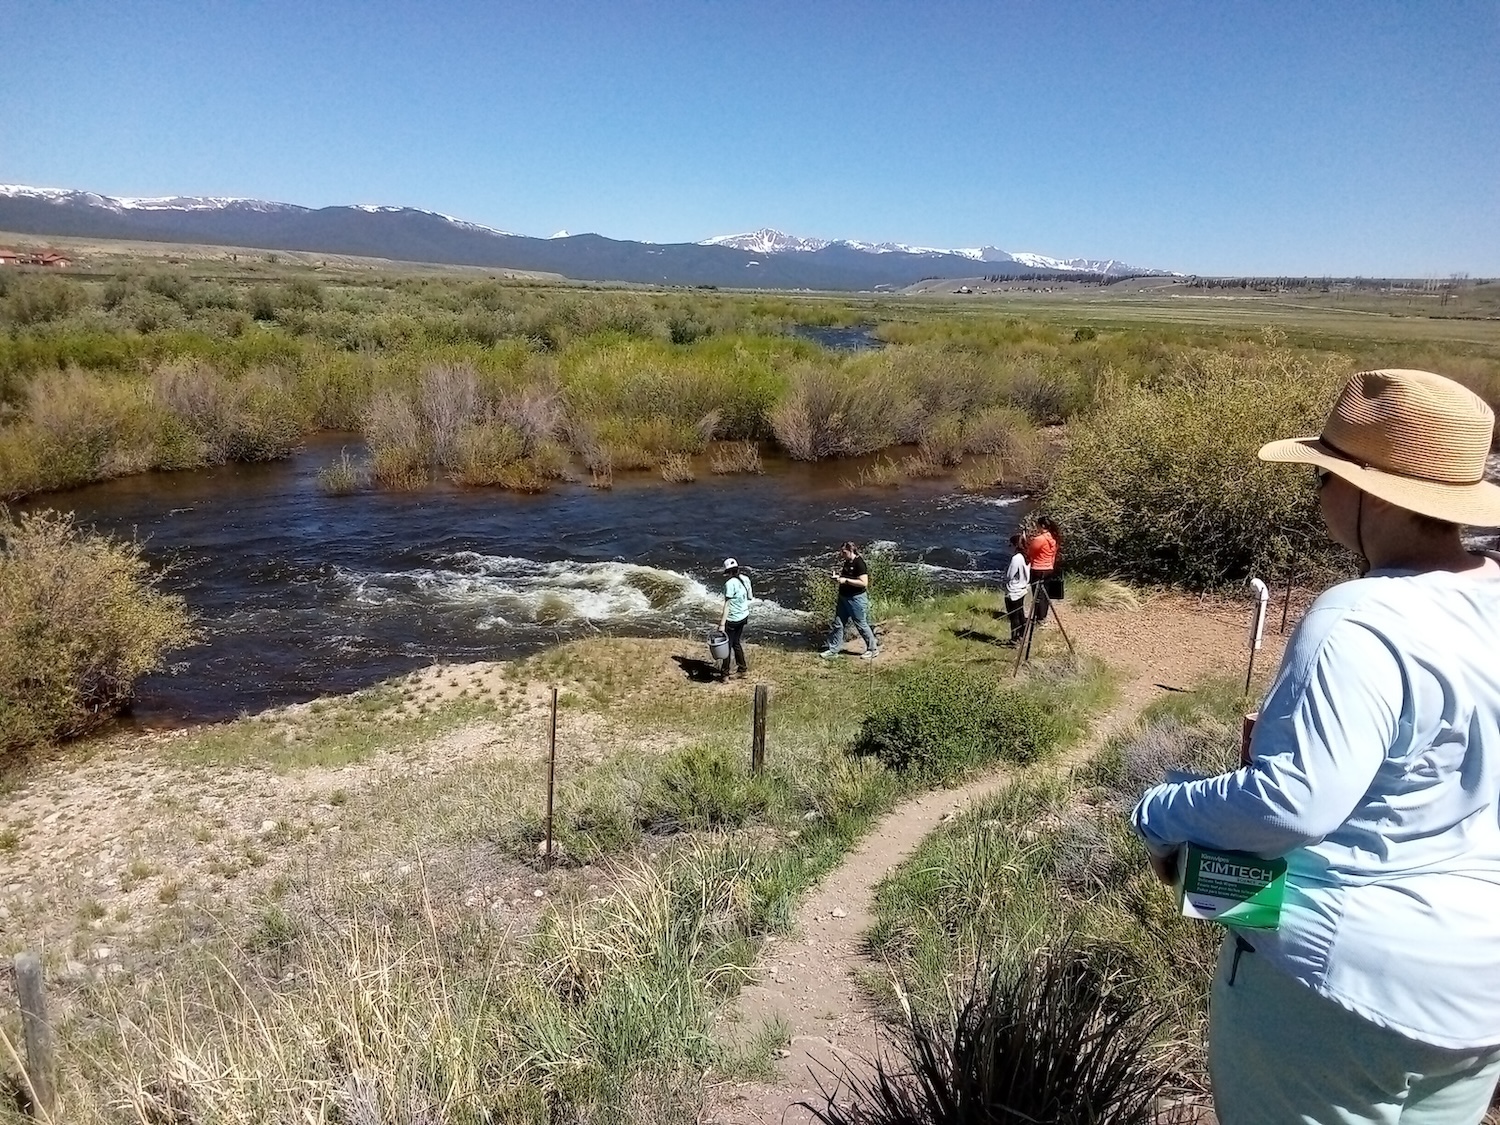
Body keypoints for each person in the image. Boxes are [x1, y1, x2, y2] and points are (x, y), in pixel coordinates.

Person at [1130, 368, 1500, 1125]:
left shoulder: (1358, 618)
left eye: (1325, 478)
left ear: (1374, 494)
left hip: (1335, 994)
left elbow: (1293, 804)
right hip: (1478, 996)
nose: (1317, 496)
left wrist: (1161, 812)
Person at [820, 541, 879, 659]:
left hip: (855, 599)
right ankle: (833, 649)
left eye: (844, 552)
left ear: (851, 551)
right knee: (838, 624)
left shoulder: (859, 563)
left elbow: (863, 583)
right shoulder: (847, 562)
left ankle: (872, 649)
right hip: (843, 598)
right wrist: (838, 578)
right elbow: (846, 577)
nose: (842, 554)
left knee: (861, 624)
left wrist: (845, 580)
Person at [718, 557, 752, 678]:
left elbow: (727, 606)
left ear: (728, 572)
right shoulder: (745, 579)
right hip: (744, 616)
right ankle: (742, 669)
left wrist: (722, 624)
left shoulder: (729, 584)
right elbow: (750, 596)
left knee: (726, 646)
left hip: (733, 619)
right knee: (736, 643)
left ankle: (724, 674)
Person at [1025, 516, 1060, 622]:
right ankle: (1042, 616)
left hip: (1038, 568)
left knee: (1037, 594)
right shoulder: (1053, 539)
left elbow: (1030, 552)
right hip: (1049, 568)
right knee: (1045, 593)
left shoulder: (1039, 539)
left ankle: (1038, 617)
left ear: (1042, 526)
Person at [1003, 533, 1031, 643]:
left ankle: (1014, 639)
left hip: (1014, 590)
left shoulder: (1016, 558)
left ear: (1015, 545)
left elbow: (1009, 575)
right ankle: (1022, 635)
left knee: (1013, 616)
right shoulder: (1027, 555)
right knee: (1020, 613)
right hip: (1023, 588)